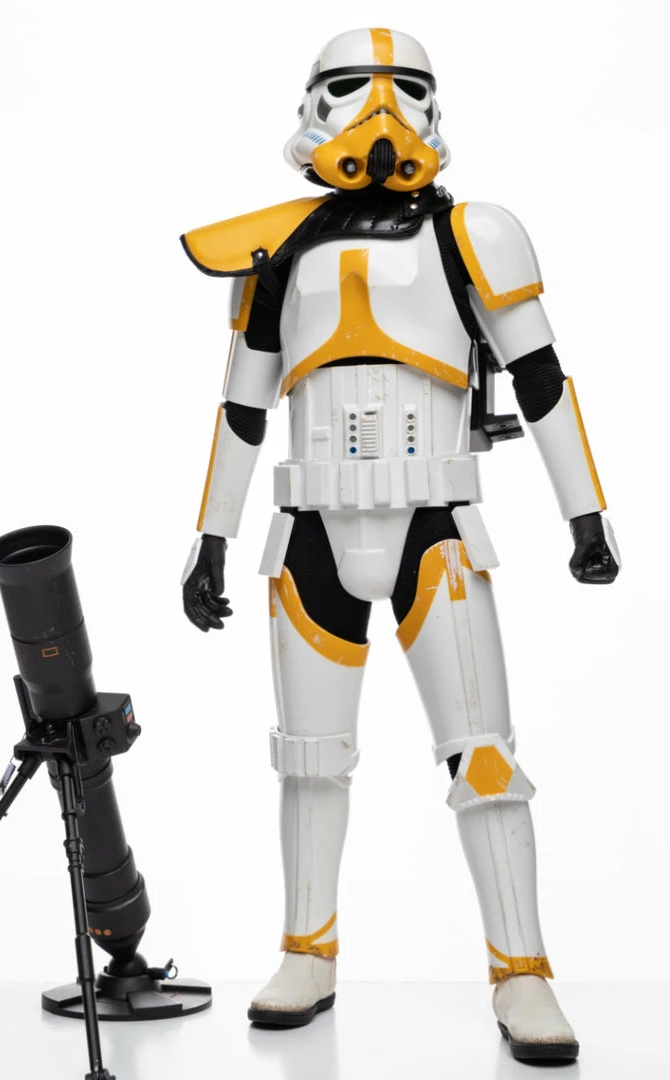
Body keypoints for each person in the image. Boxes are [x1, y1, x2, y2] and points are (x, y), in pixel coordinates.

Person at [180, 27, 618, 1063]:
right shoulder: (276, 248)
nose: (379, 110)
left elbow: (543, 379)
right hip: (309, 531)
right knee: (308, 762)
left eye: (401, 88)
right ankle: (308, 953)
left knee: (486, 759)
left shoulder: (473, 234)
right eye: (352, 87)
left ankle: (522, 971)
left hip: (437, 528)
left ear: (431, 105)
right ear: (315, 104)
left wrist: (586, 515)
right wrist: (210, 539)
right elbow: (242, 407)